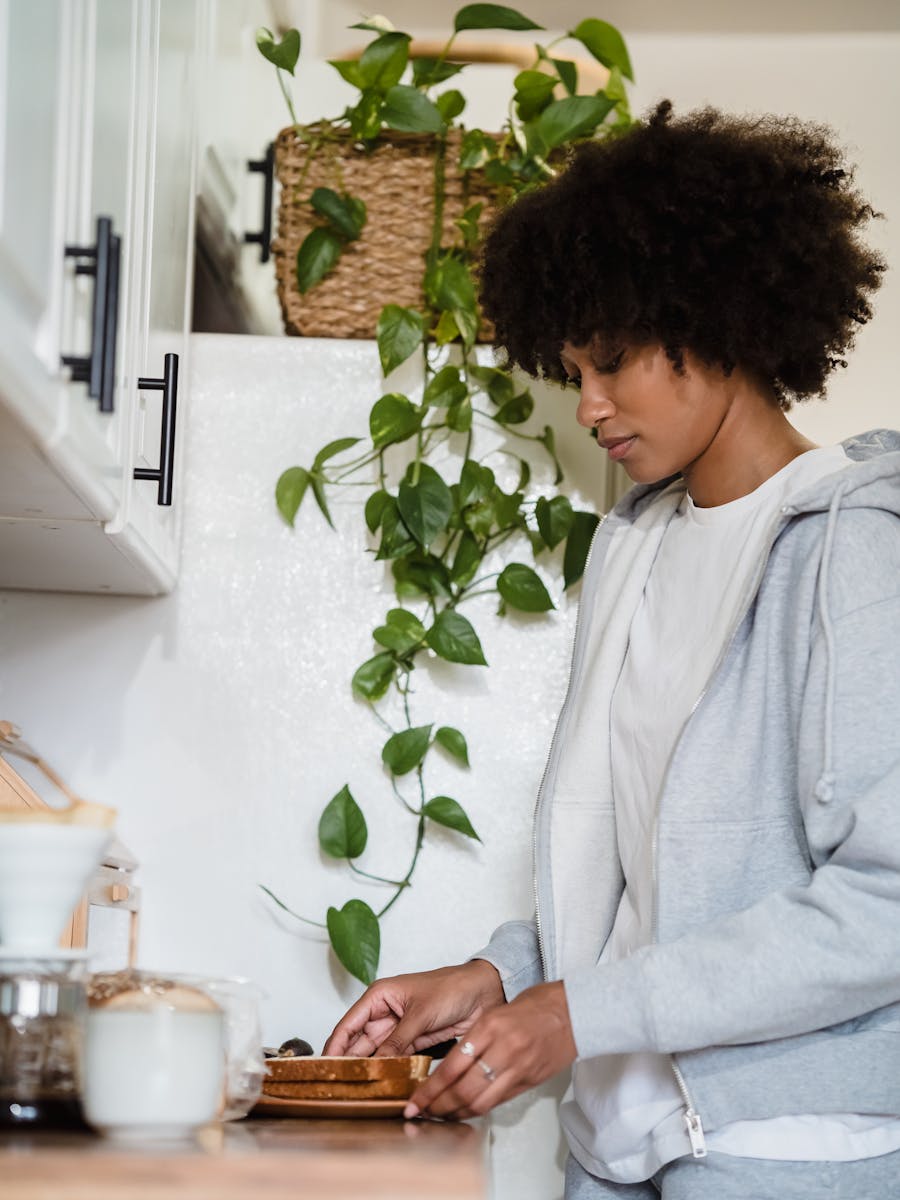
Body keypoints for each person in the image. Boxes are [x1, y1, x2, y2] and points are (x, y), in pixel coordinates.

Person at [325, 101, 900, 1198]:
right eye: (572, 368)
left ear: (721, 320)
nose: (587, 405)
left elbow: (887, 907)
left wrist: (576, 1012)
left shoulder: (854, 553)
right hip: (618, 1140)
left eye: (615, 361)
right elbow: (643, 875)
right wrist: (502, 975)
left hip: (784, 1155)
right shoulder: (635, 547)